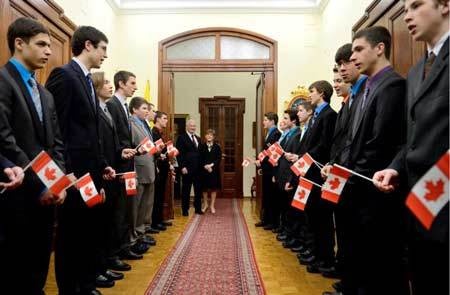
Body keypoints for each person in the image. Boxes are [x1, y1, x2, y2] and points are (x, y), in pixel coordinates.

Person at [373, 1, 449, 294]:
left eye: (416, 5)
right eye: (404, 9)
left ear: (444, 5)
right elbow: (413, 135)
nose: (406, 15)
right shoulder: (417, 71)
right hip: (418, 202)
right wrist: (394, 167)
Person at [337, 26, 408, 295]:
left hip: (373, 193)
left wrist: (349, 180)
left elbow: (378, 146)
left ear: (379, 48)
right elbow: (352, 141)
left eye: (358, 50)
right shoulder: (367, 88)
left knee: (380, 270)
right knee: (362, 265)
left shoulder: (392, 85)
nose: (353, 57)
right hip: (359, 190)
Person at [46, 25, 116, 295]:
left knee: (88, 232)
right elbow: (57, 130)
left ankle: (85, 284)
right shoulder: (64, 76)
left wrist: (102, 164)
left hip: (92, 173)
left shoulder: (87, 80)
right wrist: (65, 173)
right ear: (88, 45)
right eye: (102, 49)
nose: (105, 55)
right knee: (70, 236)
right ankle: (71, 288)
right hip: (74, 176)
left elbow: (91, 131)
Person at [0, 17, 66, 294]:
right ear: (19, 43)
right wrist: (43, 182)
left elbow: (57, 143)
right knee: (15, 269)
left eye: (50, 45)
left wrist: (59, 181)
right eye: (41, 44)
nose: (49, 51)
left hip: (47, 195)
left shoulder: (45, 93)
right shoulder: (3, 81)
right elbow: (4, 138)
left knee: (40, 264)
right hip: (17, 194)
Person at [92, 72, 136, 284]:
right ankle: (104, 262)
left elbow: (114, 140)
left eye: (110, 82)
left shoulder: (107, 109)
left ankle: (107, 260)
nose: (110, 86)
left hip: (113, 168)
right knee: (105, 222)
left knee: (112, 218)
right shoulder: (103, 109)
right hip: (104, 172)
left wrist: (121, 152)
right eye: (106, 82)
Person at [106, 70, 143, 261]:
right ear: (121, 84)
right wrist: (122, 150)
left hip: (127, 164)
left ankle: (124, 247)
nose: (135, 87)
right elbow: (112, 137)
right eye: (132, 83)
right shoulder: (112, 105)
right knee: (118, 212)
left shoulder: (123, 106)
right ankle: (115, 253)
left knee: (126, 209)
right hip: (118, 166)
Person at [129, 97, 157, 255]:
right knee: (136, 207)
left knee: (145, 206)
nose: (147, 111)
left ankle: (141, 234)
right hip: (139, 170)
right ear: (134, 110)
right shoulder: (131, 124)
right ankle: (134, 237)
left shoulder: (144, 124)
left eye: (148, 109)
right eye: (145, 108)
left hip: (149, 169)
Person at [254, 112, 281, 229]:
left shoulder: (276, 134)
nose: (263, 122)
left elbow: (274, 154)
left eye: (265, 120)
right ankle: (266, 219)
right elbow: (266, 152)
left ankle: (272, 222)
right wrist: (260, 161)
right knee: (266, 195)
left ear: (272, 121)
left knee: (272, 196)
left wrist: (261, 162)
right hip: (266, 169)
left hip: (271, 170)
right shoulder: (269, 133)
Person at [151, 111, 174, 231]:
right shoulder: (153, 133)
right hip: (158, 169)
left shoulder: (160, 133)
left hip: (163, 168)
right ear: (158, 119)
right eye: (164, 118)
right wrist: (161, 155)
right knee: (157, 196)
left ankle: (159, 220)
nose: (166, 120)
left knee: (160, 195)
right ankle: (155, 222)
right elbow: (154, 152)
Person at [176, 119, 203, 216]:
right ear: (187, 126)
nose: (193, 128)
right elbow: (179, 154)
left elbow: (200, 154)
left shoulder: (198, 138)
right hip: (187, 169)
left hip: (198, 170)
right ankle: (185, 210)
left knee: (198, 190)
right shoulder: (181, 138)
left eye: (194, 126)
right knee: (186, 190)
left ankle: (198, 209)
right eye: (191, 126)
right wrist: (182, 166)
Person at [199, 129, 222, 214]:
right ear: (205, 136)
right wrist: (205, 166)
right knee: (204, 188)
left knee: (213, 188)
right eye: (208, 134)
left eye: (211, 135)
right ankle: (205, 204)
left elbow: (218, 159)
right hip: (204, 170)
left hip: (214, 170)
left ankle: (212, 205)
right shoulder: (201, 146)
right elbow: (200, 158)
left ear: (213, 137)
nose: (209, 136)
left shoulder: (217, 147)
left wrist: (211, 165)